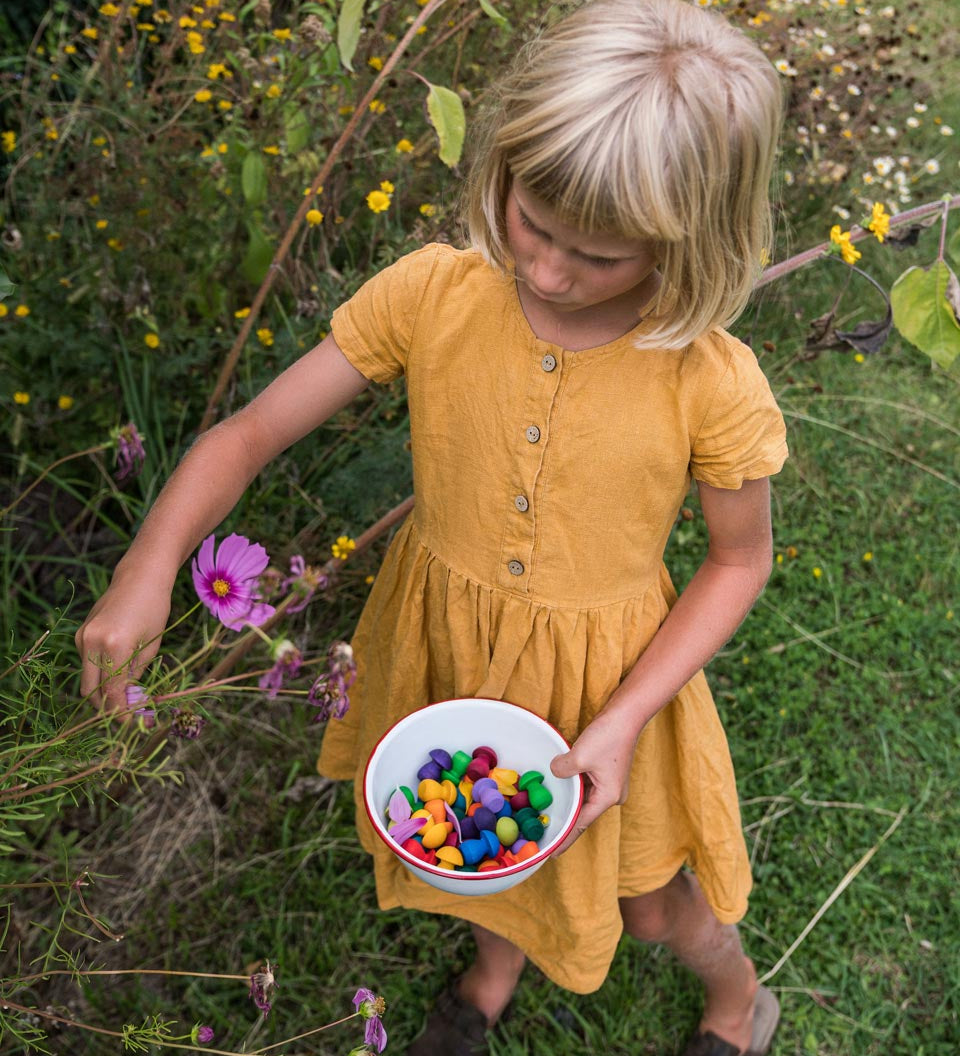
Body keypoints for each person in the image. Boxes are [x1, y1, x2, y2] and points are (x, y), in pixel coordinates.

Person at [76, 0, 788, 1053]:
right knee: (460, 837)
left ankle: (737, 997)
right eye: (531, 222)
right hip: (446, 648)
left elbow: (738, 560)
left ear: (692, 238)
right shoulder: (434, 294)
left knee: (644, 895)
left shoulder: (710, 382)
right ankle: (494, 965)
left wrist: (628, 717)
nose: (544, 271)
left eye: (595, 256)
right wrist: (149, 562)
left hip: (610, 679)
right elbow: (245, 436)